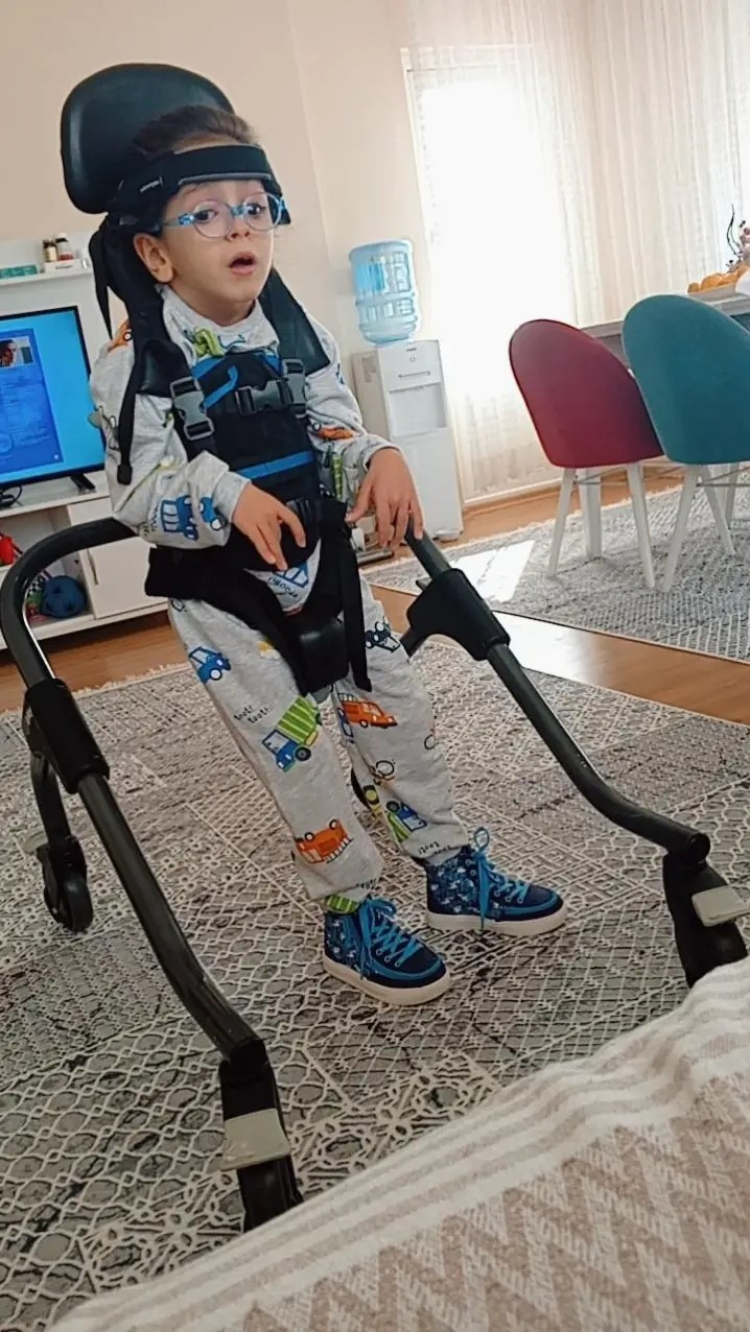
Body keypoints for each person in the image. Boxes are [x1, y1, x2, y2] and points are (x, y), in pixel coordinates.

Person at [90, 105, 566, 1007]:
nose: (239, 227)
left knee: (401, 714)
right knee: (300, 757)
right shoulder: (134, 364)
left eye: (254, 207)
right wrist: (224, 493)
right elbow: (137, 491)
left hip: (330, 572)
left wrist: (377, 455)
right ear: (154, 253)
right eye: (206, 213)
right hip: (228, 602)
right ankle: (350, 912)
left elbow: (332, 425)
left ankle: (449, 866)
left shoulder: (291, 328)